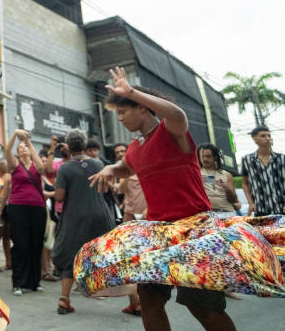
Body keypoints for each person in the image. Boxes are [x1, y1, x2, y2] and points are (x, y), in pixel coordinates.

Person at [87, 67, 238, 330]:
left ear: (143, 108)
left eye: (123, 112)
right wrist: (110, 168)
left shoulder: (172, 132)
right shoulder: (135, 147)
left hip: (195, 231)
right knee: (149, 298)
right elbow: (126, 167)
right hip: (157, 234)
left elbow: (176, 113)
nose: (120, 119)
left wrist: (133, 91)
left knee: (203, 307)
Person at [52, 129, 130, 315]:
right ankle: (135, 301)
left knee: (71, 254)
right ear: (85, 145)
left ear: (68, 147)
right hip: (100, 214)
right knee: (111, 256)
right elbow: (106, 188)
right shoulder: (97, 163)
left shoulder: (65, 168)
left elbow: (60, 197)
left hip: (75, 217)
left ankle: (64, 299)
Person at [3, 129, 47, 295]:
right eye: (20, 147)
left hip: (38, 207)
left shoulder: (36, 165)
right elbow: (7, 151)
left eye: (25, 146)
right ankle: (18, 283)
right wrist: (15, 135)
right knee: (21, 245)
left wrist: (27, 141)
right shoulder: (15, 164)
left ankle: (35, 282)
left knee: (36, 244)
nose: (23, 148)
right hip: (18, 207)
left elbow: (42, 168)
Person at [241, 126, 285, 216]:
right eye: (263, 136)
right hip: (260, 209)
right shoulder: (247, 160)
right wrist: (250, 203)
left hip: (282, 208)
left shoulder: (282, 158)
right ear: (254, 139)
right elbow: (245, 183)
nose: (267, 138)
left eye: (269, 135)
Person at [198, 143, 239, 218]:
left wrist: (227, 189)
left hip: (227, 213)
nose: (205, 159)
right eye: (202, 157)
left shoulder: (227, 175)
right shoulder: (196, 173)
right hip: (206, 215)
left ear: (215, 157)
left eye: (208, 156)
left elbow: (234, 200)